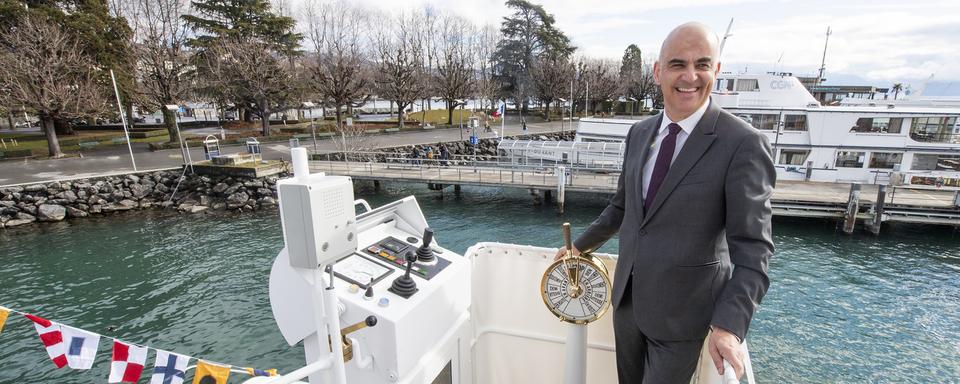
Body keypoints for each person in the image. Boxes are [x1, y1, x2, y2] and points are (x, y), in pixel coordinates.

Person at [555, 22, 774, 382]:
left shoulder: (743, 144)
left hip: (683, 316)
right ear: (658, 72)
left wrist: (729, 326)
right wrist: (579, 245)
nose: (691, 76)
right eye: (678, 64)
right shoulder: (639, 133)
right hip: (627, 304)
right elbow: (623, 207)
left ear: (716, 70)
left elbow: (754, 251)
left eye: (702, 64)